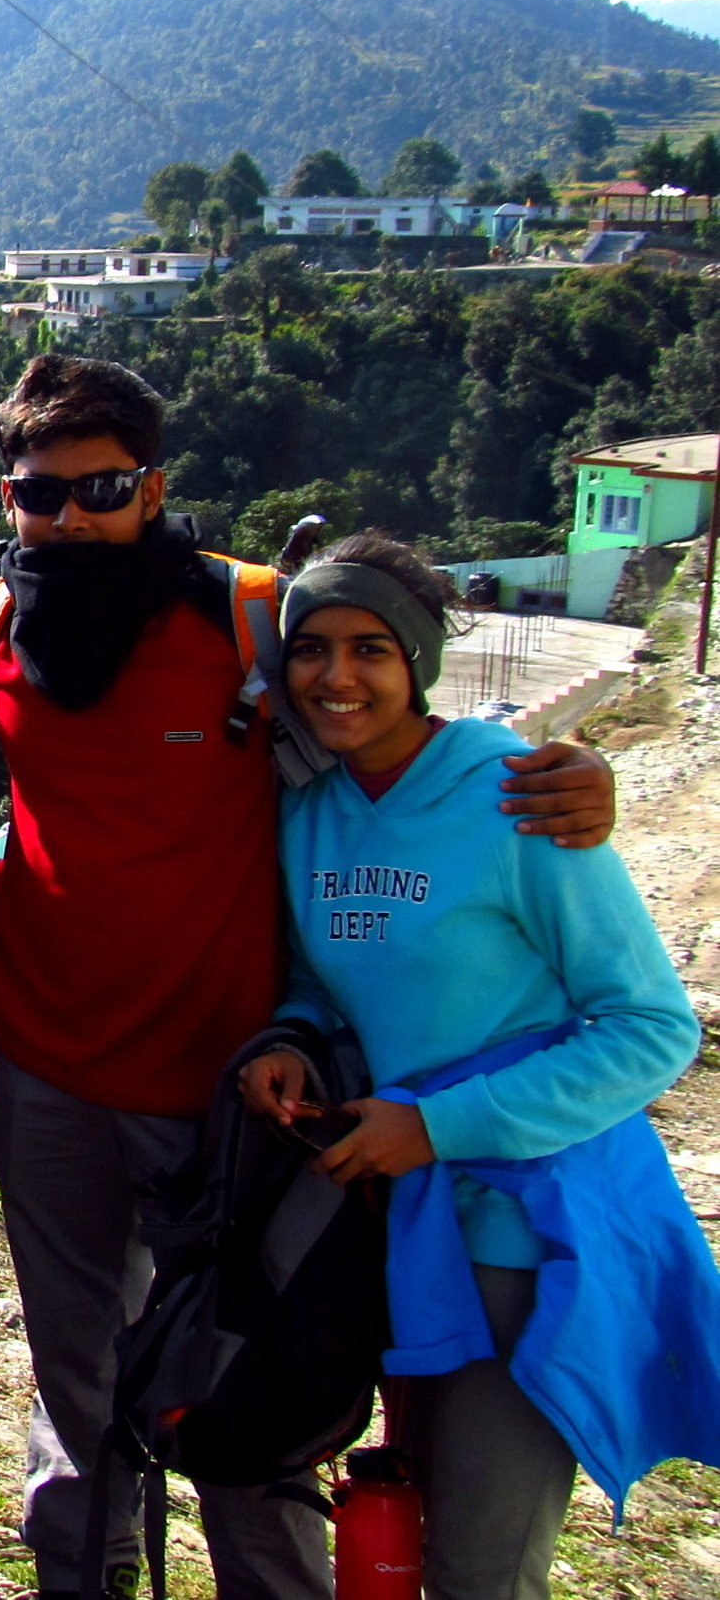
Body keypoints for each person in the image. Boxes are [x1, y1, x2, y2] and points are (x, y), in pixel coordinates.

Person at [0, 354, 616, 1598]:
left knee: (245, 1371)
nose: (70, 517)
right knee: (74, 1362)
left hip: (230, 1076)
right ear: (6, 500)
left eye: (101, 488)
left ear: (152, 485)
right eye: (39, 494)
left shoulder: (250, 615)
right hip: (48, 1061)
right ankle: (82, 1570)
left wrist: (557, 768)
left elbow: (376, 705)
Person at [238, 533, 717, 1600]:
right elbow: (328, 980)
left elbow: (647, 1026)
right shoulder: (310, 809)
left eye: (371, 647)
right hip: (394, 1234)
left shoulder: (516, 795)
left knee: (478, 1565)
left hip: (526, 1241)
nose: (338, 675)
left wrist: (438, 1126)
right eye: (311, 648)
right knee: (390, 1531)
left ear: (418, 661)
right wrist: (286, 1037)